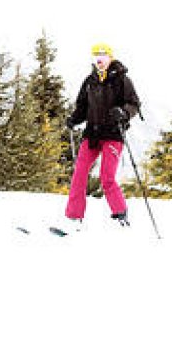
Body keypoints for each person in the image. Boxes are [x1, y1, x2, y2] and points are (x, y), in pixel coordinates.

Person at [64, 43, 141, 228]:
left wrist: (123, 113)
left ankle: (120, 213)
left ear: (110, 58)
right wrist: (74, 119)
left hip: (113, 134)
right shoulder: (89, 81)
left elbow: (134, 104)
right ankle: (74, 216)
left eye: (103, 55)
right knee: (79, 173)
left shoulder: (122, 79)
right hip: (92, 134)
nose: (99, 59)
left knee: (106, 177)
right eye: (96, 56)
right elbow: (82, 107)